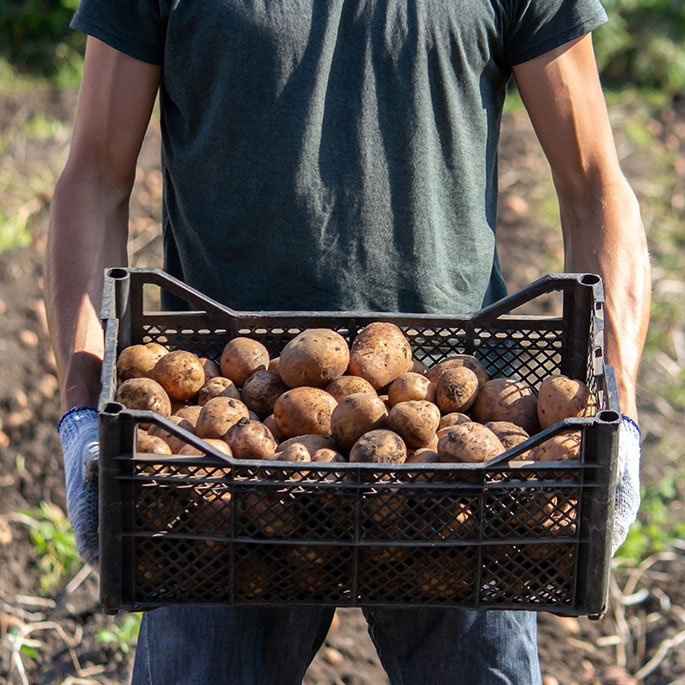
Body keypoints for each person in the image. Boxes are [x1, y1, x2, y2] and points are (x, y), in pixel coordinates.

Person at [45, 1, 651, 683]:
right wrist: (80, 412)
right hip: (223, 439)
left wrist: (617, 412)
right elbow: (93, 177)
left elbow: (594, 182)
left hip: (457, 441)